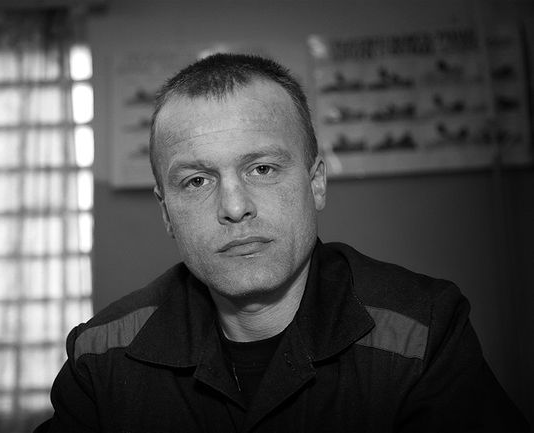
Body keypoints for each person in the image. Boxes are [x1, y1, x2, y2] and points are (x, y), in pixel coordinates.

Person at [35, 54, 529, 433]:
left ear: (316, 183)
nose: (234, 207)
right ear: (166, 212)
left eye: (263, 169)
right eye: (197, 181)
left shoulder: (421, 332)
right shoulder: (102, 355)